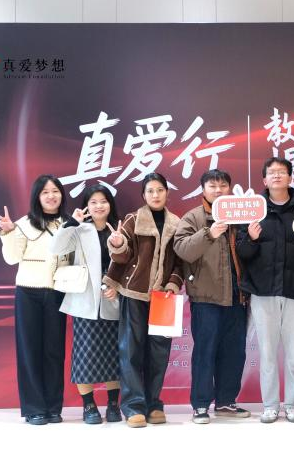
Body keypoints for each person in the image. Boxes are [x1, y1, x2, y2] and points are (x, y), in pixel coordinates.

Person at [236, 157, 294, 424]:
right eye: (271, 172)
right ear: (264, 180)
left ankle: (292, 405)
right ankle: (270, 406)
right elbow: (242, 252)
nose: (277, 176)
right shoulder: (254, 210)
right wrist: (251, 238)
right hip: (263, 291)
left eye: (282, 172)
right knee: (268, 353)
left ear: (290, 178)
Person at [103, 172, 184, 428]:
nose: (155, 195)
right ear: (143, 195)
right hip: (134, 294)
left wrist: (173, 283)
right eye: (150, 191)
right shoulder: (133, 220)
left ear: (167, 192)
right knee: (131, 351)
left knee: (159, 353)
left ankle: (153, 403)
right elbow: (123, 255)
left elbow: (181, 262)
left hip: (164, 297)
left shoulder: (177, 223)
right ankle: (133, 406)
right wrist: (117, 244)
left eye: (160, 190)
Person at [173, 169, 250, 424]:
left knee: (234, 352)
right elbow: (182, 249)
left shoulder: (240, 215)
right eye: (212, 186)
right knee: (204, 352)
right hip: (206, 297)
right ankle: (201, 404)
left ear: (230, 188)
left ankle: (226, 401)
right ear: (203, 189)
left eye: (223, 185)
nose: (218, 190)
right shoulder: (193, 217)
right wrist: (209, 233)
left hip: (237, 296)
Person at [0, 174, 70, 425]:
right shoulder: (23, 224)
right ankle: (34, 409)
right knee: (30, 351)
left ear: (61, 195)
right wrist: (8, 232)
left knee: (54, 351)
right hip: (28, 293)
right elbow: (11, 258)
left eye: (55, 191)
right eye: (45, 192)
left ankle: (53, 407)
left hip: (57, 293)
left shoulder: (69, 224)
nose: (51, 196)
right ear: (37, 197)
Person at [49, 184, 122, 424]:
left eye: (103, 201)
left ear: (110, 204)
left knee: (114, 354)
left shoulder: (120, 227)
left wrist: (117, 287)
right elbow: (56, 248)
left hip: (112, 299)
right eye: (93, 202)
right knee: (85, 354)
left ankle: (113, 404)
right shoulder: (79, 229)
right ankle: (89, 406)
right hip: (85, 301)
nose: (99, 206)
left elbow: (129, 264)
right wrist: (71, 223)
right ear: (86, 206)